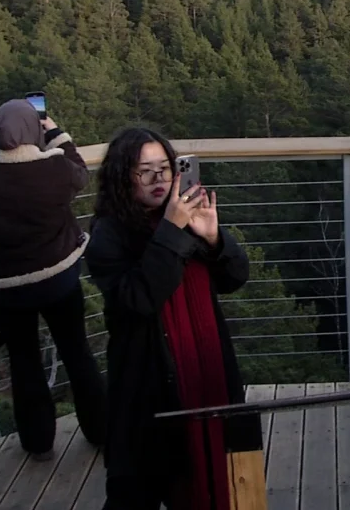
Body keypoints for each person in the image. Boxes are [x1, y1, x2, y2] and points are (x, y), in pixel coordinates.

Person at [86, 128, 262, 510]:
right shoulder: (108, 234)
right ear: (121, 176)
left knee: (214, 475)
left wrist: (214, 240)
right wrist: (171, 230)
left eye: (164, 168)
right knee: (138, 486)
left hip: (206, 367)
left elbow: (235, 278)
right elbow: (138, 299)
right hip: (147, 383)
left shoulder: (185, 217)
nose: (158, 179)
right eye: (143, 171)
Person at [0, 99, 106, 460]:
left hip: (7, 291)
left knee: (24, 364)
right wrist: (55, 131)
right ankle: (101, 428)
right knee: (77, 354)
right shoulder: (53, 169)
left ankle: (37, 443)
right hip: (59, 279)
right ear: (32, 129)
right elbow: (80, 171)